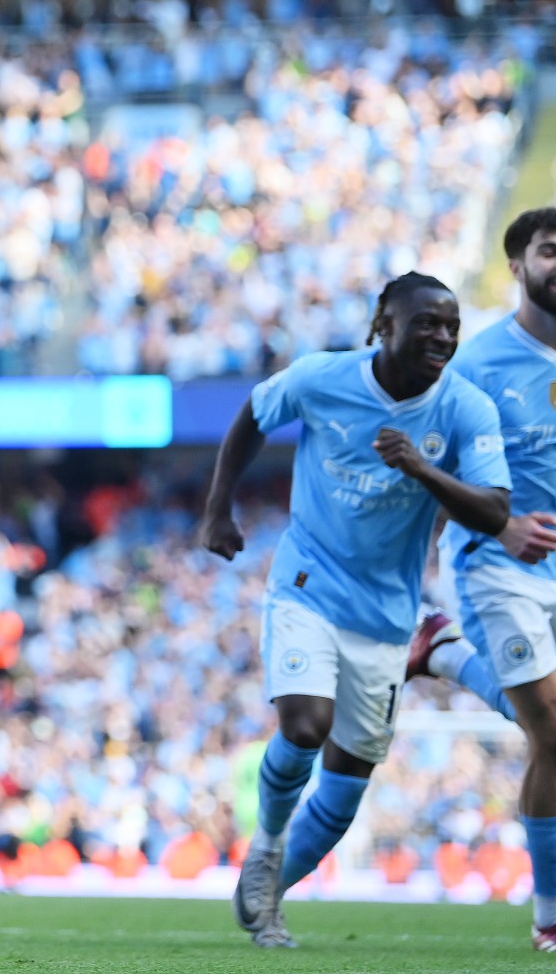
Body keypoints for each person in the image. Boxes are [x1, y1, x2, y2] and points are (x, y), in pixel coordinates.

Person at [198, 272, 512, 948]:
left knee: (345, 787)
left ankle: (270, 888)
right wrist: (218, 506)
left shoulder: (465, 409)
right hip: (307, 582)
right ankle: (267, 843)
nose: (442, 336)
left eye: (452, 326)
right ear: (383, 324)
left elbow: (494, 509)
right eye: (427, 322)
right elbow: (253, 413)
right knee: (306, 723)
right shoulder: (322, 379)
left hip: (386, 616)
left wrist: (424, 469)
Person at [407, 208, 556, 954]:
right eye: (551, 251)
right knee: (553, 733)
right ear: (518, 266)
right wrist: (431, 559)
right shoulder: (474, 365)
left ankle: (445, 655)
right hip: (492, 568)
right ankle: (553, 915)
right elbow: (436, 472)